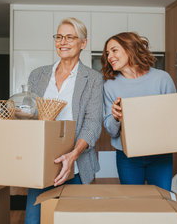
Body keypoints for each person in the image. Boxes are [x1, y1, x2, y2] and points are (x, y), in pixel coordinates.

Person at [25, 17, 103, 224]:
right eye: (59, 37)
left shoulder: (93, 79)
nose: (63, 42)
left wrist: (73, 155)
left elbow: (93, 123)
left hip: (77, 164)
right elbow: (30, 115)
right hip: (42, 163)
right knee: (34, 220)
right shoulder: (38, 75)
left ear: (83, 43)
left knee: (72, 220)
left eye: (70, 37)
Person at [101, 32, 176, 191]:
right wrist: (114, 117)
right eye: (107, 53)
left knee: (162, 200)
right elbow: (111, 131)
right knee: (133, 203)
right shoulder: (109, 85)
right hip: (127, 157)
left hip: (160, 154)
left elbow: (174, 118)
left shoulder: (162, 79)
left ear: (130, 49)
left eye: (114, 51)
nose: (110, 56)